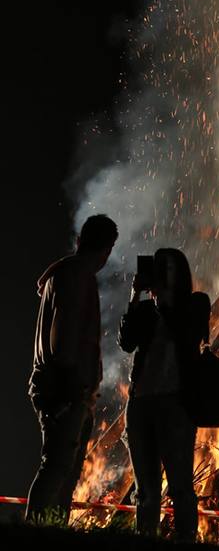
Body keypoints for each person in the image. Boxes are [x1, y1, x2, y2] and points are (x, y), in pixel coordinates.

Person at [26, 214, 119, 521]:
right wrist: (74, 389)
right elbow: (63, 338)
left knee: (64, 470)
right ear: (107, 250)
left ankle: (52, 532)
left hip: (61, 386)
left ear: (81, 241)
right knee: (56, 468)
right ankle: (36, 533)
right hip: (64, 389)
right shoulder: (76, 278)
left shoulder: (64, 273)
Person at [118, 248, 210, 542]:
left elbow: (187, 336)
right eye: (159, 268)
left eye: (168, 268)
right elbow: (126, 342)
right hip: (141, 402)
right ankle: (145, 541)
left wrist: (163, 304)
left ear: (180, 273)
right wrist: (135, 297)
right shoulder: (146, 309)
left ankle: (185, 541)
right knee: (145, 486)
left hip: (176, 403)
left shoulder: (195, 304)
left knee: (180, 482)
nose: (161, 273)